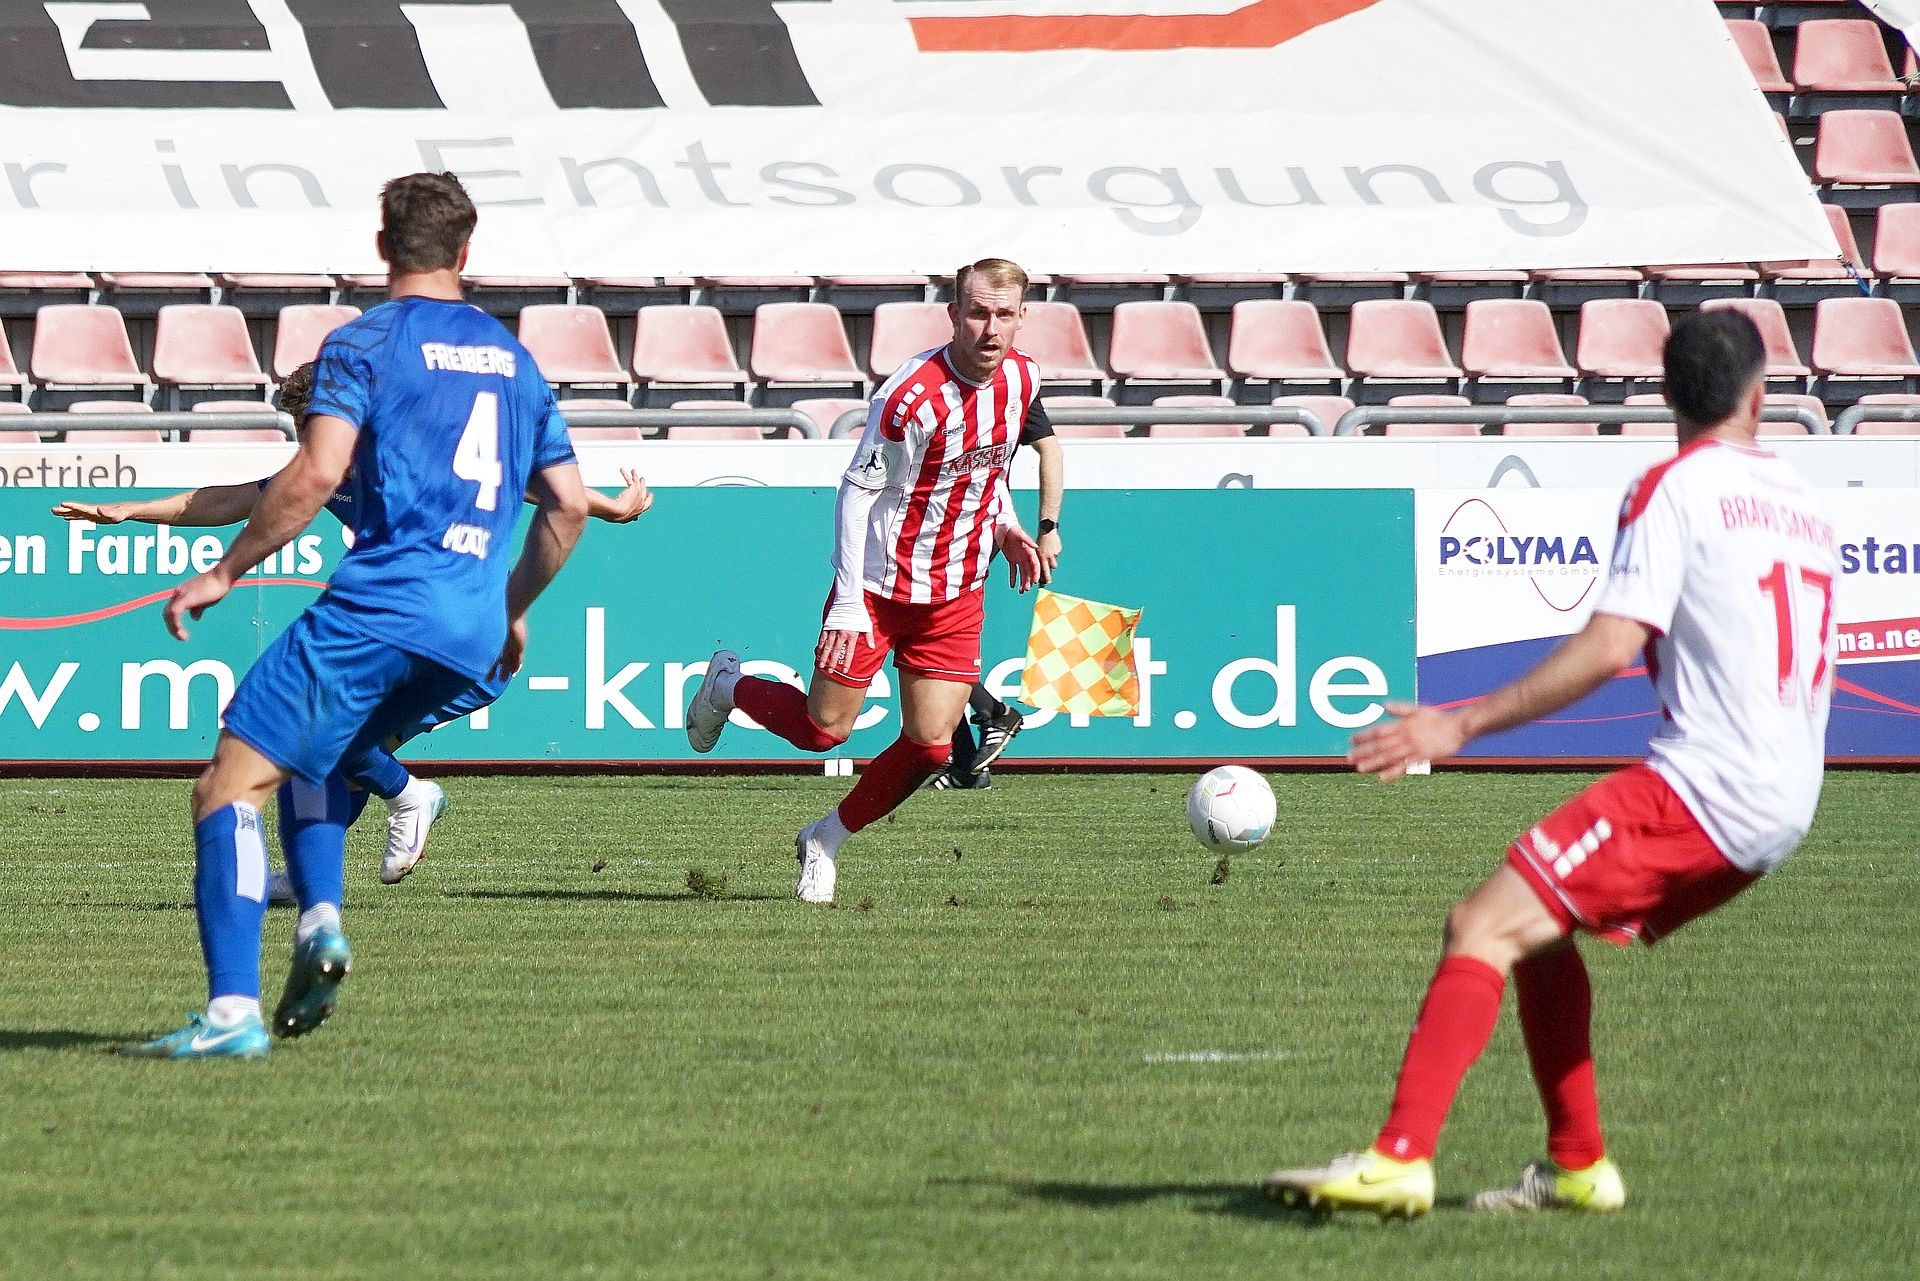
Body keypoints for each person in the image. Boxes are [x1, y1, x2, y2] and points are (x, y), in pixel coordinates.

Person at [1263, 310, 1839, 1218]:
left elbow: (1613, 644)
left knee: (1480, 925)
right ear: (1761, 399)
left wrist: (1462, 722)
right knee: (1537, 928)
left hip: (1706, 786)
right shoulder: (1805, 503)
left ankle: (1398, 1156)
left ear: (1666, 394)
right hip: (1787, 794)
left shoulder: (1674, 488)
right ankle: (1577, 1165)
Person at [123, 171, 588, 1059]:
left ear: (382, 247)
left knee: (226, 786)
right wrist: (511, 606)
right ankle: (320, 923)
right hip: (470, 629)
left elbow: (316, 472)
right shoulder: (515, 361)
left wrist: (223, 572)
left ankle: (232, 1014)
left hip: (381, 607)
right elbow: (566, 504)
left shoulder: (365, 343)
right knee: (324, 753)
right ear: (465, 251)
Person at [54, 364, 653, 903]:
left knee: (319, 732)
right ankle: (319, 871)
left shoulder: (414, 453)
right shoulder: (328, 470)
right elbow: (229, 501)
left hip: (458, 637)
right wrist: (129, 511)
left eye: (310, 424)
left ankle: (408, 796)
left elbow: (542, 488)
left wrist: (604, 514)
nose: (305, 439)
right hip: (414, 631)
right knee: (334, 750)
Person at [684, 257, 1044, 904]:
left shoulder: (1023, 379)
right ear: (954, 314)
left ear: (1022, 317)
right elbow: (856, 493)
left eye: (1003, 315)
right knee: (824, 731)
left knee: (932, 747)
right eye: (977, 313)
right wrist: (849, 602)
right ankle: (728, 686)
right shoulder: (910, 398)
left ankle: (824, 838)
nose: (990, 329)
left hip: (956, 590)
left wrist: (1008, 526)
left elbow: (987, 472)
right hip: (877, 587)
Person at [928, 413, 1063, 791]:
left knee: (923, 638)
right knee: (925, 642)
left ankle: (993, 715)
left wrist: (1048, 527)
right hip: (928, 527)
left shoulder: (1012, 386)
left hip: (962, 529)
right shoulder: (938, 389)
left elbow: (1049, 449)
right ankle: (967, 764)